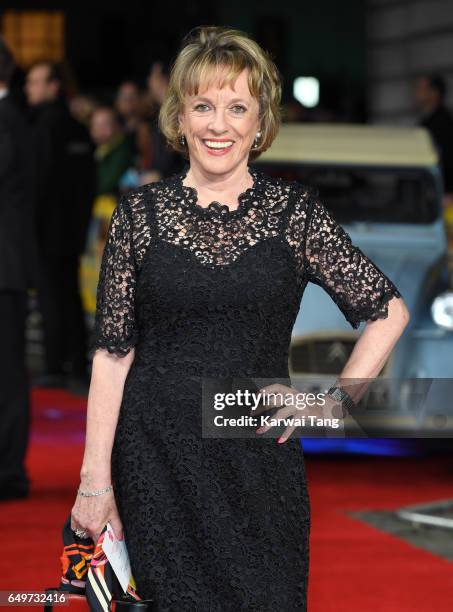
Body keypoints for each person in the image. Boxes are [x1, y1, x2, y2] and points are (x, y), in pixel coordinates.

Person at [71, 26, 409, 610]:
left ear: (261, 121)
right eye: (203, 106)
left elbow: (388, 312)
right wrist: (94, 483)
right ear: (180, 117)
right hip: (155, 460)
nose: (218, 125)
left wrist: (330, 403)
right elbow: (113, 352)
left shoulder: (293, 214)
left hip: (258, 462)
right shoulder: (140, 216)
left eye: (237, 108)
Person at [26, 60, 96, 386]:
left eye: (36, 82)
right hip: (73, 228)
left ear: (54, 86)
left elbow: (37, 183)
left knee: (52, 297)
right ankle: (77, 366)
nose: (30, 89)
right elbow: (88, 184)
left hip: (47, 229)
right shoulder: (79, 128)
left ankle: (56, 366)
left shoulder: (43, 127)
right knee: (68, 295)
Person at [0, 38, 37, 500]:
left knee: (7, 373)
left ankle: (9, 472)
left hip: (5, 267)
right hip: (8, 263)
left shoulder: (8, 121)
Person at [415, 74, 453, 193]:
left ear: (434, 93)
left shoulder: (443, 122)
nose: (416, 93)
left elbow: (448, 158)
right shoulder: (427, 121)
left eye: (421, 89)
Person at [90, 106, 134, 196]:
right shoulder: (97, 150)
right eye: (96, 125)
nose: (99, 129)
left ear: (117, 126)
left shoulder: (122, 151)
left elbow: (105, 185)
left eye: (105, 124)